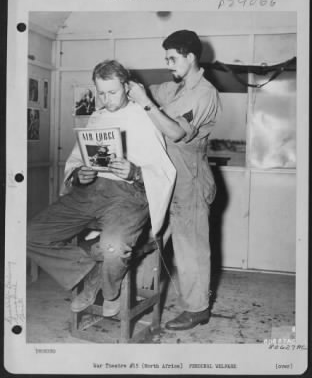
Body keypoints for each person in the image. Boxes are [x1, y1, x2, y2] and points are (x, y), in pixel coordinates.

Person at [27, 60, 176, 317]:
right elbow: (76, 159)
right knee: (29, 234)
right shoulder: (97, 116)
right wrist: (79, 175)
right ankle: (90, 270)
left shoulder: (144, 116)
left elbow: (164, 170)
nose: (106, 99)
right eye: (101, 92)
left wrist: (135, 172)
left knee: (114, 246)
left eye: (113, 92)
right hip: (91, 193)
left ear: (127, 87)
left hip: (129, 196)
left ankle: (109, 290)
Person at [128, 30, 220, 330]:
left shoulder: (204, 92)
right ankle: (139, 296)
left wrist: (144, 102)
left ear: (190, 56)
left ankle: (197, 309)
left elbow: (176, 132)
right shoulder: (175, 89)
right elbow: (148, 92)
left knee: (189, 247)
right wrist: (126, 86)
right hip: (165, 178)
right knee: (151, 236)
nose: (168, 64)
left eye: (172, 58)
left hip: (190, 181)